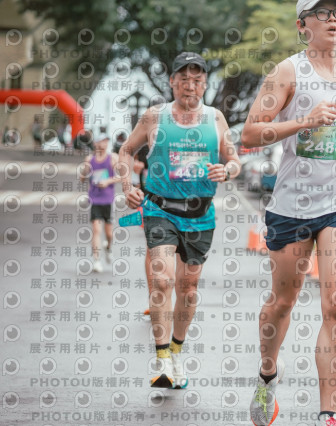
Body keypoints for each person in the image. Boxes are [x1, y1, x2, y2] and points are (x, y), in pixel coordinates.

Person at [241, 1, 336, 424]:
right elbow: (251, 133)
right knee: (282, 301)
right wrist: (304, 121)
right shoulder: (287, 72)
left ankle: (327, 413)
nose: (333, 19)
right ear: (302, 25)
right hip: (292, 204)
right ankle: (267, 375)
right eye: (323, 13)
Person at [119, 51, 241, 389]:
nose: (190, 85)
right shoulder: (154, 117)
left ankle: (176, 351)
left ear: (205, 84)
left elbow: (234, 160)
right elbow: (126, 150)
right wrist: (128, 186)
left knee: (188, 289)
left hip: (201, 215)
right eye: (184, 79)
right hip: (160, 209)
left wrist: (227, 170)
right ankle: (161, 360)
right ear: (172, 81)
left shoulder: (216, 118)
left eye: (197, 80)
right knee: (162, 280)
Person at [80, 133, 119, 273]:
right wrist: (85, 171)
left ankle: (108, 247)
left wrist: (108, 181)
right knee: (96, 230)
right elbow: (82, 179)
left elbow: (121, 176)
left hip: (108, 199)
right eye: (100, 141)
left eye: (105, 141)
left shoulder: (113, 158)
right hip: (95, 199)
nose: (102, 144)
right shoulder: (89, 159)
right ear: (95, 143)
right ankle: (96, 260)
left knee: (109, 234)